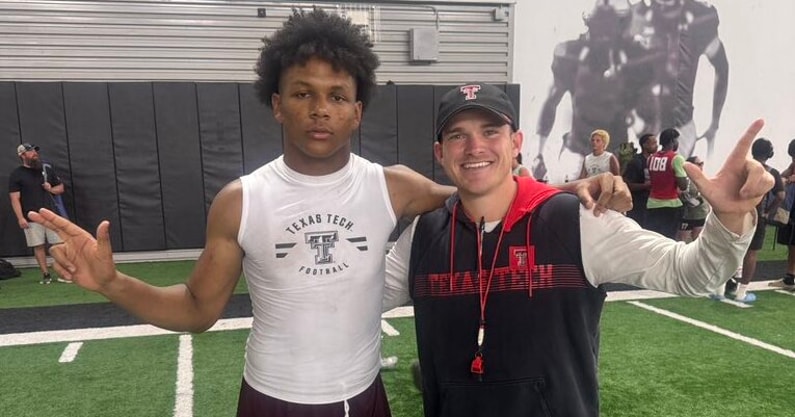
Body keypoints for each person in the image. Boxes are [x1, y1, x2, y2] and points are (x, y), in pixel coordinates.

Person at [29, 10, 629, 416]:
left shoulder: (393, 188)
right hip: (272, 399)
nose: (321, 109)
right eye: (303, 93)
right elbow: (196, 309)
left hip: (367, 399)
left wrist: (578, 187)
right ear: (277, 104)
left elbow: (485, 187)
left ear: (358, 111)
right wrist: (111, 281)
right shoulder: (242, 199)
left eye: (338, 96)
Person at [383, 81, 771, 417]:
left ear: (516, 144)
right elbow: (350, 296)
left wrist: (729, 218)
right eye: (457, 136)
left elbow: (691, 273)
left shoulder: (579, 221)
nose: (474, 147)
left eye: (490, 131)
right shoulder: (423, 235)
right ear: (440, 153)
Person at [531, 0, 660, 181]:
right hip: (579, 148)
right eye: (600, 23)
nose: (604, 34)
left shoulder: (634, 57)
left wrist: (646, 152)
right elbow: (552, 101)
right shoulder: (572, 55)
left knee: (620, 197)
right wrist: (539, 152)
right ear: (590, 23)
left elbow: (650, 113)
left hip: (620, 147)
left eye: (610, 24)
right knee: (575, 200)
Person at [627, 0, 728, 158]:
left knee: (672, 176)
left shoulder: (699, 17)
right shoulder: (636, 14)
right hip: (641, 124)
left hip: (679, 127)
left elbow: (722, 67)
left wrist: (714, 123)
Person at [8, 143, 66, 284]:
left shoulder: (46, 169)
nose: (34, 153)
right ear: (22, 155)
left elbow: (61, 188)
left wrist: (51, 189)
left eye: (35, 151)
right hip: (31, 217)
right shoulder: (17, 174)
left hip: (51, 214)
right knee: (38, 245)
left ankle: (64, 273)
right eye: (30, 151)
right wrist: (20, 218)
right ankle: (46, 275)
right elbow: (14, 198)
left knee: (58, 244)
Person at [646, 127, 688, 239]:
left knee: (654, 238)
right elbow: (683, 186)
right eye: (677, 140)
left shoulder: (651, 158)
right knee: (668, 239)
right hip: (670, 205)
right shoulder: (676, 158)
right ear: (673, 141)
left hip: (652, 204)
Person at [770, 138, 795, 291]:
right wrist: (786, 177)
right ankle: (789, 276)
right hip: (792, 210)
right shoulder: (792, 165)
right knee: (791, 243)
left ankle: (790, 277)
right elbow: (781, 176)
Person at [622, 132, 657, 227]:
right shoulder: (636, 161)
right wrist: (647, 185)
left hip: (653, 204)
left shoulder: (656, 161)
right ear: (645, 145)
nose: (656, 146)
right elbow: (628, 184)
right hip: (638, 205)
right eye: (653, 143)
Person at [676, 155, 710, 242]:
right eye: (699, 164)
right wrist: (696, 201)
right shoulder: (685, 180)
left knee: (698, 242)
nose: (701, 166)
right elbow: (681, 194)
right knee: (682, 242)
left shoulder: (704, 178)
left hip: (701, 215)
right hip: (688, 216)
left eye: (702, 163)